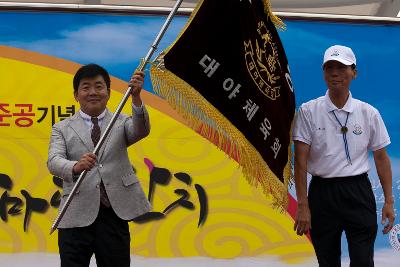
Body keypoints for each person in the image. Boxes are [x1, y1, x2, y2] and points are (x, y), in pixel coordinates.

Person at [292, 45, 395, 266]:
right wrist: (303, 204)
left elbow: (381, 158)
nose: (335, 73)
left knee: (362, 260)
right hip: (322, 193)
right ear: (323, 73)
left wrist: (388, 201)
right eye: (329, 68)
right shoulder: (308, 111)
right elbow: (299, 161)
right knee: (327, 261)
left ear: (354, 73)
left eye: (342, 67)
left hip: (357, 191)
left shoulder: (368, 113)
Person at [47, 63, 151, 267]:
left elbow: (141, 130)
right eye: (86, 87)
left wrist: (136, 97)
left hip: (114, 213)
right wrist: (75, 166)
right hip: (75, 214)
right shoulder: (61, 128)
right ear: (76, 94)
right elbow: (53, 161)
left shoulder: (121, 121)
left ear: (109, 92)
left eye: (98, 86)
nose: (93, 92)